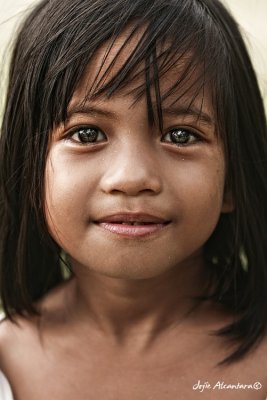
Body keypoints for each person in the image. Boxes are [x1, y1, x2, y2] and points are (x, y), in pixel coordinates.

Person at [0, 0, 267, 398]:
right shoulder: (8, 362)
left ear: (233, 178)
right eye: (87, 134)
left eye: (181, 135)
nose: (131, 178)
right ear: (30, 168)